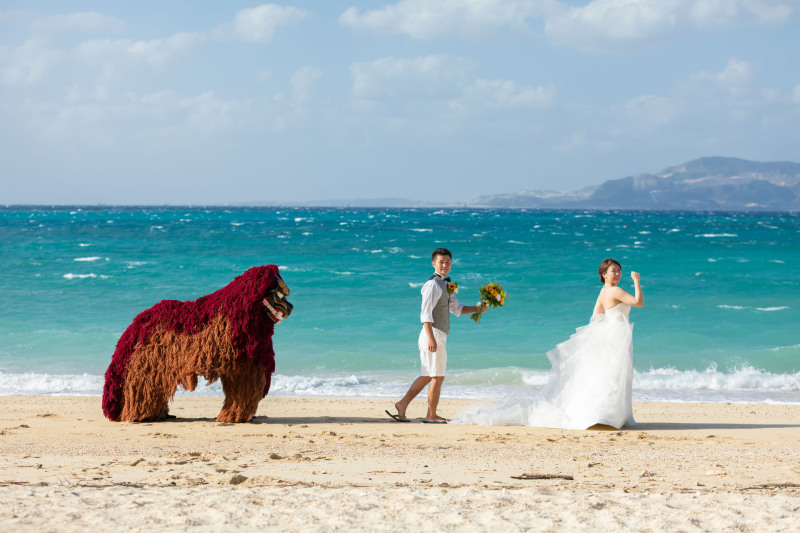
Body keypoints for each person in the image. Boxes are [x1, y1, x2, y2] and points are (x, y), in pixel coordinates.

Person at [453, 258, 643, 430]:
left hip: (612, 334)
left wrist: (600, 333)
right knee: (615, 374)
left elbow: (595, 316)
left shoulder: (603, 292)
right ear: (604, 274)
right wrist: (636, 281)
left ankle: (604, 414)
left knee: (609, 374)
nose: (618, 274)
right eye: (613, 271)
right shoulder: (615, 290)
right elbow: (638, 302)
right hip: (616, 334)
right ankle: (609, 415)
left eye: (619, 270)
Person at [386, 248, 487, 424]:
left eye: (448, 262)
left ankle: (402, 405)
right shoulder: (432, 285)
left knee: (428, 375)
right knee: (437, 376)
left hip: (437, 335)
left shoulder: (447, 285)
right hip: (432, 334)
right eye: (441, 262)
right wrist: (431, 338)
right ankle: (431, 415)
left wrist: (478, 308)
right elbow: (425, 313)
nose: (445, 265)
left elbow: (457, 309)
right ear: (433, 263)